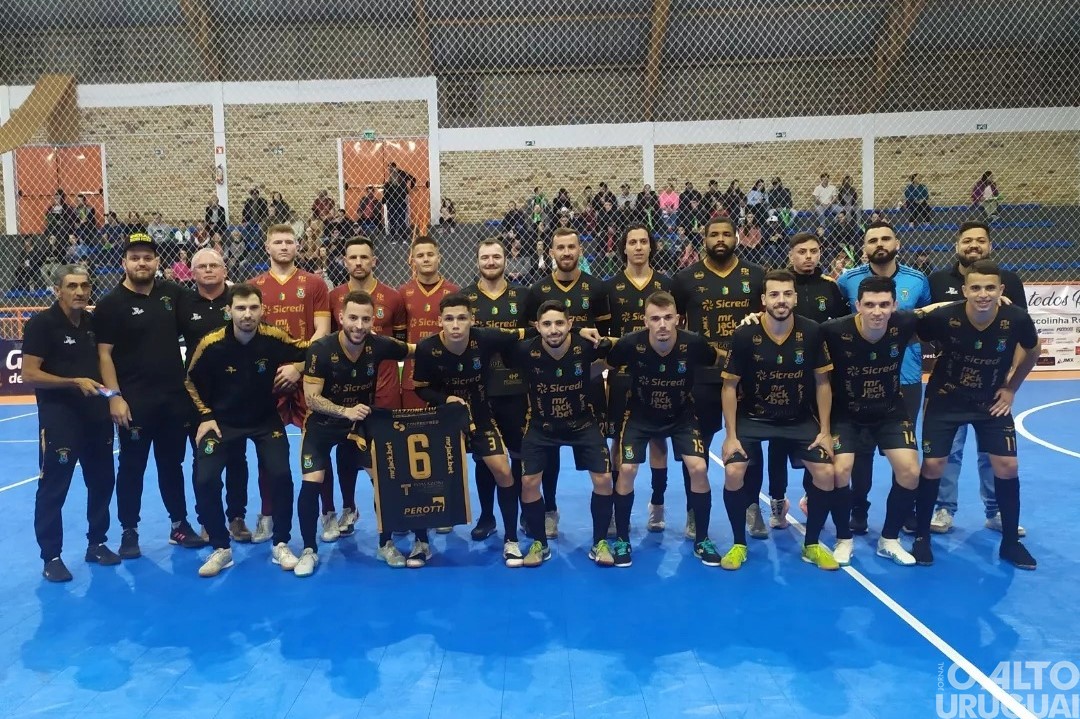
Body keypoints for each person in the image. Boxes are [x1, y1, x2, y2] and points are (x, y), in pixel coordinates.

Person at [913, 259, 1039, 569]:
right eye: (977, 288)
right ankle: (921, 537)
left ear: (1001, 290)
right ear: (965, 290)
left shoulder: (1016, 318)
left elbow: (1033, 350)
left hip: (990, 401)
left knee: (1007, 465)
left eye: (990, 288)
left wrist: (1011, 389)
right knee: (934, 464)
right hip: (946, 399)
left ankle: (1010, 543)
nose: (983, 294)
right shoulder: (945, 316)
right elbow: (908, 327)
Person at [186, 284, 310, 577]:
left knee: (281, 474)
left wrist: (298, 368)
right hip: (222, 421)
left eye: (253, 308)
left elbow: (312, 351)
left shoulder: (274, 336)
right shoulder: (211, 343)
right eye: (240, 308)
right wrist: (205, 416)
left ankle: (281, 543)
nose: (247, 314)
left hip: (265, 420)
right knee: (205, 479)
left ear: (262, 310)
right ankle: (220, 547)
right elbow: (189, 380)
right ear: (229, 311)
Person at [719, 269, 838, 571]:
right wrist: (730, 435)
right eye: (774, 294)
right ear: (763, 299)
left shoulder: (812, 331)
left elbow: (823, 383)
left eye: (787, 294)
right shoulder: (745, 334)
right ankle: (738, 544)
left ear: (795, 298)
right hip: (753, 417)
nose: (781, 300)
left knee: (826, 473)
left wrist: (825, 431)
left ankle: (812, 544)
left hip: (798, 418)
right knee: (733, 471)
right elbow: (729, 387)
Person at [95, 234, 205, 558]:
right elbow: (104, 355)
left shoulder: (173, 294)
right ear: (124, 263)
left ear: (157, 262)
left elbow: (202, 315)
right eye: (135, 257)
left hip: (173, 400)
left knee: (172, 465)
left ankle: (179, 525)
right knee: (132, 467)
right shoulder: (111, 304)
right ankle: (129, 531)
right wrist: (113, 396)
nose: (141, 263)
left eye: (147, 257)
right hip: (133, 403)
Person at [296, 291, 414, 575]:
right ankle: (309, 550)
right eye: (353, 318)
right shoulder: (320, 349)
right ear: (340, 318)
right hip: (322, 425)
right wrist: (344, 410)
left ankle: (385, 544)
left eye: (365, 319)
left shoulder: (379, 345)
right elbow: (312, 398)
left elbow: (415, 349)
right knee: (311, 482)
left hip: (359, 425)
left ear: (373, 320)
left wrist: (459, 340)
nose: (359, 326)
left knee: (383, 479)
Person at [605, 291, 722, 567]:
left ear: (678, 319)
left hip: (681, 414)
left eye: (668, 317)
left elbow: (720, 359)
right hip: (640, 415)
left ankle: (702, 538)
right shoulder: (630, 344)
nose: (662, 324)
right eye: (655, 318)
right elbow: (605, 366)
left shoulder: (694, 343)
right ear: (645, 321)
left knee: (698, 467)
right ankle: (622, 539)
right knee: (627, 469)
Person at [926, 221, 1027, 536]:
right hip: (950, 385)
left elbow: (1025, 336)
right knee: (949, 451)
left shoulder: (1009, 280)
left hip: (992, 386)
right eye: (967, 240)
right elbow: (925, 323)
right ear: (957, 245)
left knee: (992, 453)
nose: (974, 245)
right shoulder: (938, 280)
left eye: (980, 240)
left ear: (989, 245)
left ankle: (995, 511)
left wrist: (1010, 382)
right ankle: (944, 508)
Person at [413, 294, 528, 567]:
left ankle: (511, 539)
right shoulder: (427, 348)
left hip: (480, 415)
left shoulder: (485, 338)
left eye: (462, 318)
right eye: (449, 319)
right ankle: (421, 542)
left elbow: (527, 332)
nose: (456, 325)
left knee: (503, 470)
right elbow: (421, 388)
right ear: (440, 321)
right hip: (443, 418)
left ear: (472, 320)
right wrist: (445, 399)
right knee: (426, 478)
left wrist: (578, 330)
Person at [23, 265, 120, 582]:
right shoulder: (42, 324)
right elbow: (29, 374)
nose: (80, 291)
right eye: (72, 286)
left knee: (102, 481)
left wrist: (114, 397)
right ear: (57, 290)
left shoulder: (92, 324)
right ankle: (51, 556)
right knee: (54, 488)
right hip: (60, 418)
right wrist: (72, 382)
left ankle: (97, 543)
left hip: (96, 416)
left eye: (85, 286)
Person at [747, 232, 848, 538]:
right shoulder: (777, 285)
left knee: (814, 442)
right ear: (790, 254)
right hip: (781, 378)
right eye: (802, 251)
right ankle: (778, 501)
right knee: (778, 445)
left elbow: (842, 327)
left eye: (814, 251)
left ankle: (809, 495)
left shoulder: (830, 287)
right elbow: (759, 319)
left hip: (818, 375)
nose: (808, 257)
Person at [820, 275, 925, 566]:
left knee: (910, 471)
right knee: (840, 471)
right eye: (869, 305)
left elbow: (938, 310)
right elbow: (796, 329)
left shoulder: (904, 322)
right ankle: (844, 539)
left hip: (889, 410)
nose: (877, 311)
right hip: (846, 413)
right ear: (857, 305)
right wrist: (756, 317)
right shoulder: (833, 330)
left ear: (894, 306)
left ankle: (889, 540)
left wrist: (994, 302)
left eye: (883, 305)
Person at [672, 218, 765, 541]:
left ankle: (752, 506)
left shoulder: (757, 275)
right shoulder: (685, 279)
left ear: (737, 237)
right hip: (702, 376)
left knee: (749, 444)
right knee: (697, 448)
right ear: (704, 239)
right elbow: (675, 324)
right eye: (714, 234)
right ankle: (694, 511)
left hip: (747, 376)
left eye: (727, 234)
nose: (720, 239)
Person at [836, 222, 931, 535]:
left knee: (902, 449)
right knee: (861, 452)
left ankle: (905, 512)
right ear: (864, 247)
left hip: (907, 377)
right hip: (861, 378)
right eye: (873, 240)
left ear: (897, 243)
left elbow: (927, 319)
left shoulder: (917, 280)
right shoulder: (847, 280)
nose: (880, 244)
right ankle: (858, 509)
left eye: (886, 238)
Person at [505, 301, 612, 567]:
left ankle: (599, 542)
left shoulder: (586, 346)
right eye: (547, 324)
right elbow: (497, 344)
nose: (554, 330)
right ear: (537, 326)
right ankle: (539, 543)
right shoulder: (524, 350)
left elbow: (617, 351)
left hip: (582, 423)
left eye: (560, 323)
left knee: (604, 479)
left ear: (570, 324)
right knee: (528, 482)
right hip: (541, 425)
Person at [522, 227, 611, 539]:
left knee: (595, 452)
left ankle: (607, 515)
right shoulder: (537, 291)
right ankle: (549, 511)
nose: (566, 252)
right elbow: (531, 335)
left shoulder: (596, 287)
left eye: (571, 247)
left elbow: (604, 337)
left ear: (579, 250)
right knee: (547, 455)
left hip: (587, 383)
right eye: (560, 248)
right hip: (547, 383)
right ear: (552, 253)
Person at [250, 224, 331, 542]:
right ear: (267, 247)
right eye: (278, 242)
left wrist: (299, 366)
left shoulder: (315, 284)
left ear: (298, 246)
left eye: (289, 241)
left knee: (318, 445)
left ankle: (328, 513)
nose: (284, 246)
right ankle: (267, 514)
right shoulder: (254, 286)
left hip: (308, 376)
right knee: (267, 451)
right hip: (270, 379)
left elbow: (322, 332)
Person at [326, 237, 407, 539]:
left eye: (364, 257)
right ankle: (349, 508)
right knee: (346, 448)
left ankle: (389, 509)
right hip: (346, 390)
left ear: (374, 261)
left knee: (385, 453)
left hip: (385, 389)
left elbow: (401, 344)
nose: (358, 262)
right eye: (353, 257)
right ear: (344, 261)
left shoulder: (393, 298)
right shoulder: (333, 297)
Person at [602, 225, 671, 533]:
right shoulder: (610, 287)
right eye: (633, 242)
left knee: (658, 438)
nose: (639, 246)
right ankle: (617, 508)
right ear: (624, 248)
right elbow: (604, 335)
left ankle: (657, 503)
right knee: (618, 439)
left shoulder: (666, 284)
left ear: (651, 247)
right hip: (623, 375)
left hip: (660, 375)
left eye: (644, 241)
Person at [179, 248, 251, 542]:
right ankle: (208, 520)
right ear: (192, 273)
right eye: (202, 266)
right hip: (198, 395)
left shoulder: (237, 301)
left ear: (225, 270)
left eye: (214, 265)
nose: (208, 270)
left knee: (237, 458)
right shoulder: (183, 304)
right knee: (203, 460)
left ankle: (236, 517)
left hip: (236, 393)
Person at [463, 239, 529, 544]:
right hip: (480, 391)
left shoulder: (523, 296)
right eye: (485, 257)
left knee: (519, 455)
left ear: (506, 259)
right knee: (483, 458)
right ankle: (487, 516)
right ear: (477, 261)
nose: (491, 262)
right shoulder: (465, 298)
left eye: (496, 256)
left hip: (517, 389)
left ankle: (524, 514)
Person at [399, 236, 460, 410]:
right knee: (413, 423)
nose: (426, 259)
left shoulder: (454, 292)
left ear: (439, 257)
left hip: (446, 374)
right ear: (413, 260)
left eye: (430, 254)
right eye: (420, 255)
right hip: (412, 375)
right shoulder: (403, 293)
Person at [384, 163, 417, 241]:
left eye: (390, 168)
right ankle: (399, 236)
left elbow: (413, 179)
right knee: (398, 218)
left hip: (401, 197)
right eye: (389, 169)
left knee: (400, 218)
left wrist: (409, 189)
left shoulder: (402, 173)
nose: (389, 170)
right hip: (397, 197)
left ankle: (402, 235)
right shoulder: (390, 179)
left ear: (394, 167)